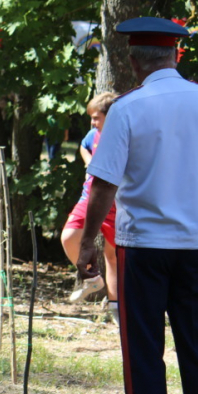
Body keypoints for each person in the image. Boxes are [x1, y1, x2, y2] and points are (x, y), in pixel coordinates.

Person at [76, 17, 198, 394]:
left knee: (143, 353)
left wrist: (89, 242)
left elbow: (104, 185)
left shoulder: (128, 108)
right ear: (176, 55)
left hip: (143, 246)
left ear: (133, 62)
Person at [61, 92, 118, 322]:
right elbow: (84, 146)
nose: (92, 123)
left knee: (113, 256)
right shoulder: (93, 134)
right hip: (89, 198)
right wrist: (88, 161)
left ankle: (116, 309)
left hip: (115, 203)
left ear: (111, 116)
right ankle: (92, 277)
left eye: (96, 117)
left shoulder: (122, 137)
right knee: (68, 237)